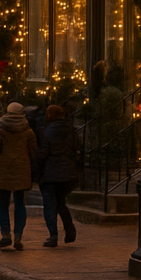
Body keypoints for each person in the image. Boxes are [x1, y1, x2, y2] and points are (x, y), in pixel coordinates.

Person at [0, 101, 37, 250]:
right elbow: (34, 152)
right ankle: (18, 236)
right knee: (20, 203)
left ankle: (5, 234)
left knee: (2, 202)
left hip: (3, 170)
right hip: (22, 170)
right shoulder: (28, 131)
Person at [34, 104, 81, 247]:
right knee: (61, 203)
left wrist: (36, 164)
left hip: (51, 173)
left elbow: (43, 153)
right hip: (68, 173)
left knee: (49, 204)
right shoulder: (71, 131)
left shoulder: (46, 132)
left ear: (50, 116)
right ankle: (69, 228)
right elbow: (77, 150)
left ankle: (53, 235)